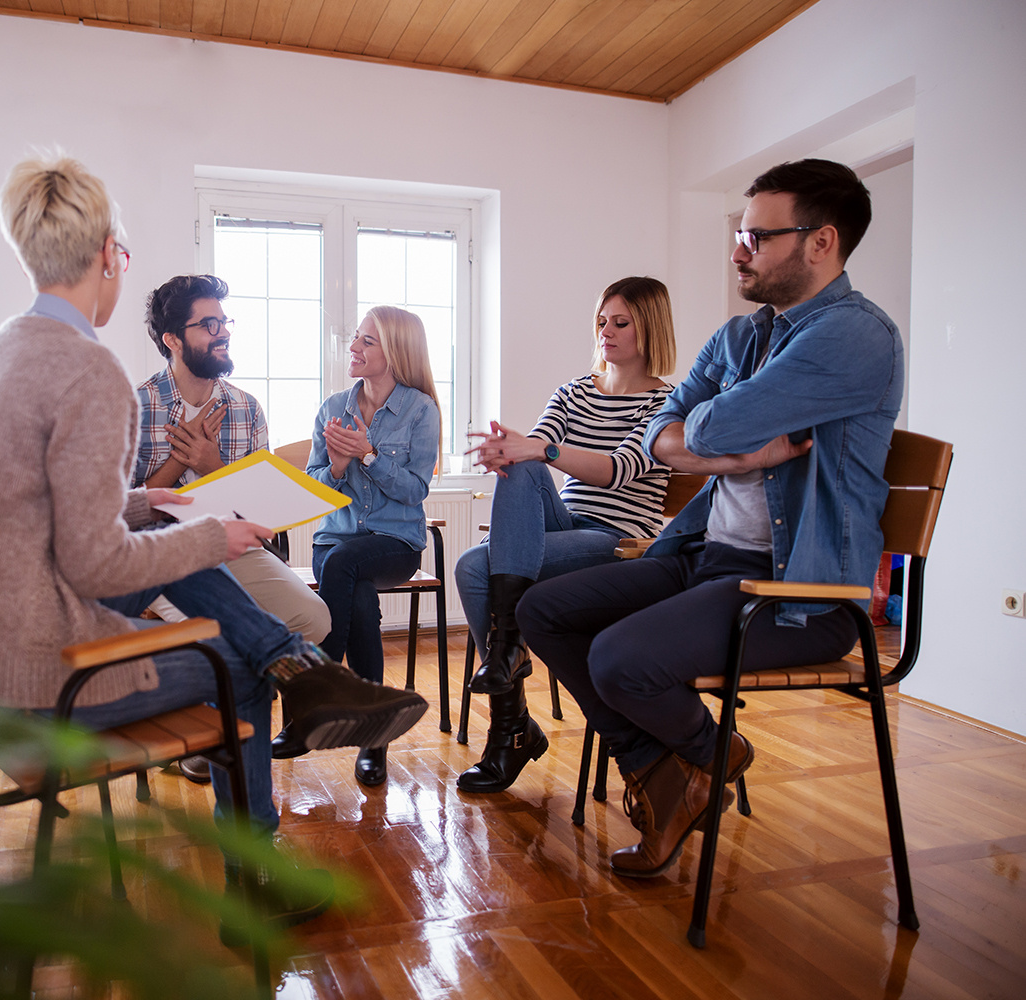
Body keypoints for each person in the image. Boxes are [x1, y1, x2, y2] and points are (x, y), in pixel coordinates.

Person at [0, 155, 427, 926]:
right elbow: (93, 563)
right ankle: (257, 869)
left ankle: (296, 665)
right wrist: (208, 533)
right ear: (108, 255)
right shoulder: (91, 373)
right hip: (26, 682)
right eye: (122, 254)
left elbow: (38, 512)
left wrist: (145, 499)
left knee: (188, 537)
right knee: (234, 663)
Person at [519, 159, 903, 879]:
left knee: (618, 656)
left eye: (757, 236)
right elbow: (661, 435)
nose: (738, 250)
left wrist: (707, 432)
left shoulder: (856, 336)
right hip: (705, 557)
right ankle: (671, 770)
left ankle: (707, 756)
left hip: (795, 594)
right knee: (544, 609)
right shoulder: (738, 337)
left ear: (820, 242)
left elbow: (712, 420)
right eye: (739, 232)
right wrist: (726, 457)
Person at [454, 276, 677, 793]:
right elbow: (537, 447)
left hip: (620, 540)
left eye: (621, 322)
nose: (607, 332)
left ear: (651, 328)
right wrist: (514, 449)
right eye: (602, 322)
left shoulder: (665, 404)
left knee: (474, 560)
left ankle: (510, 723)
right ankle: (509, 670)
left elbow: (620, 469)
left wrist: (540, 451)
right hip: (567, 528)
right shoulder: (574, 391)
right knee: (522, 466)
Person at [133, 273, 330, 643]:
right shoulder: (134, 409)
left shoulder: (245, 408)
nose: (222, 332)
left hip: (231, 546)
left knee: (312, 617)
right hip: (158, 553)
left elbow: (263, 512)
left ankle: (247, 691)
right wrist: (179, 461)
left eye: (224, 322)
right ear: (173, 340)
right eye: (209, 325)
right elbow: (116, 513)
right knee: (223, 634)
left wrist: (211, 465)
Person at [297, 306, 441, 787]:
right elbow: (314, 488)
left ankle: (316, 699)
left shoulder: (421, 410)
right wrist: (337, 466)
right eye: (356, 339)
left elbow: (415, 491)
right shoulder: (332, 407)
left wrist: (369, 456)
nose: (353, 349)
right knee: (352, 588)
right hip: (337, 541)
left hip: (394, 544)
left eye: (366, 342)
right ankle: (373, 740)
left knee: (345, 566)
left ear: (396, 352)